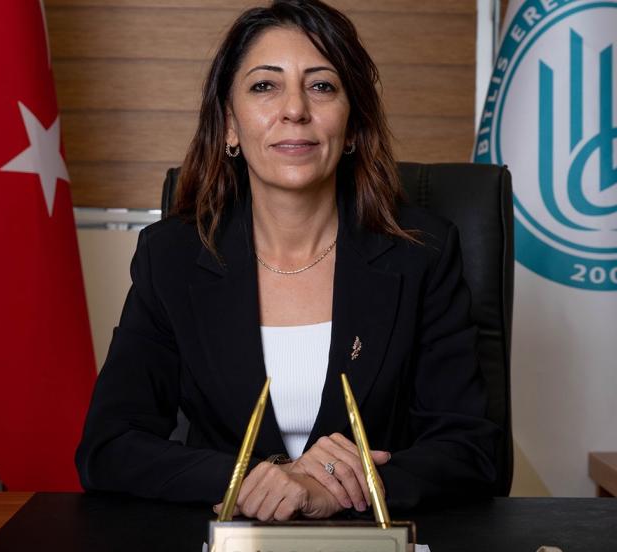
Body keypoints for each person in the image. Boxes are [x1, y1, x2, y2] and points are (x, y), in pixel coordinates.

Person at [76, 0, 498, 521]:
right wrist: (257, 479)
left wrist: (341, 486)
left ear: (353, 125)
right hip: (232, 537)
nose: (295, 109)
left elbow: (471, 450)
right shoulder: (172, 257)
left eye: (321, 86)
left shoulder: (421, 253)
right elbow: (109, 446)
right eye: (264, 86)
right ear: (229, 125)